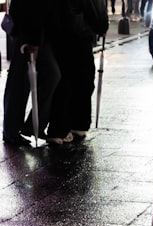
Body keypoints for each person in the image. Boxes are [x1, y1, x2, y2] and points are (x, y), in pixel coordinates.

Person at [45, 0, 108, 144]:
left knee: (63, 81)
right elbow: (95, 6)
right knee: (82, 80)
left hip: (55, 32)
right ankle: (73, 125)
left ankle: (60, 128)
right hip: (77, 33)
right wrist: (101, 25)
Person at [2, 0, 61, 146]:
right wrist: (34, 38)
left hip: (34, 32)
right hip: (29, 33)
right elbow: (34, 7)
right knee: (21, 81)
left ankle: (27, 126)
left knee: (24, 80)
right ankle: (14, 129)